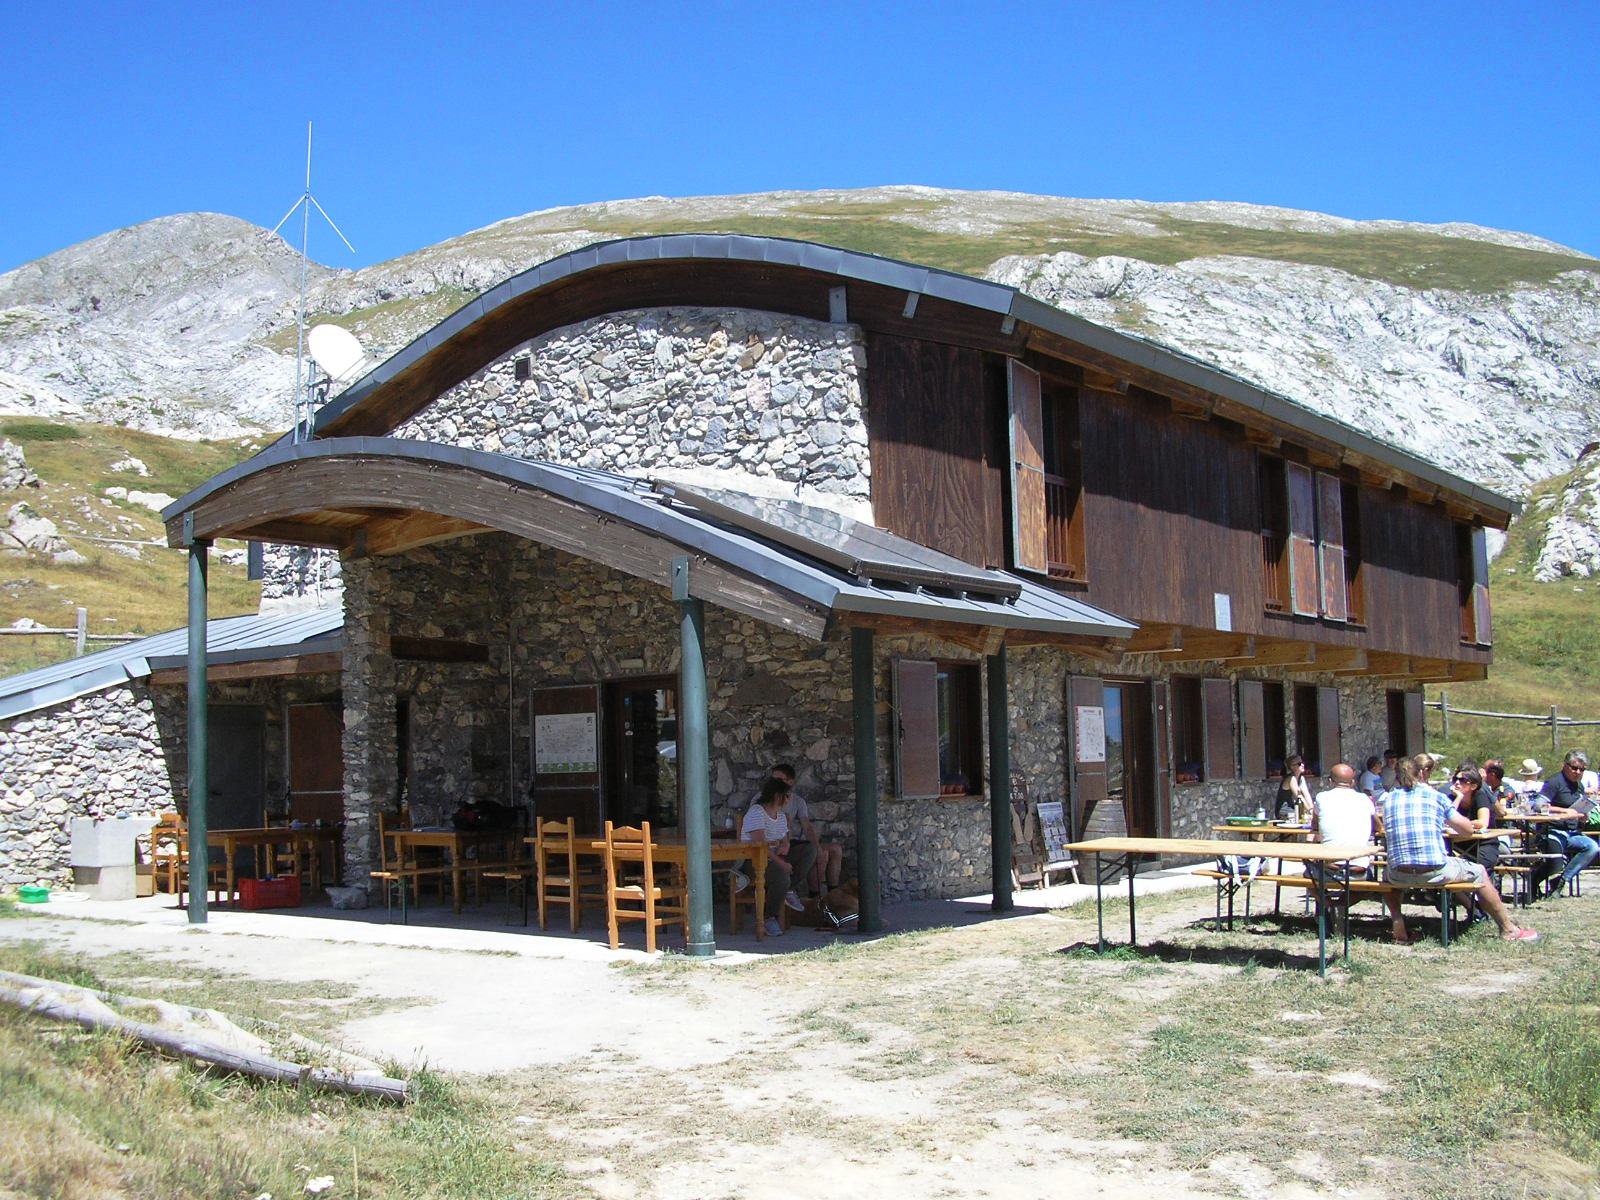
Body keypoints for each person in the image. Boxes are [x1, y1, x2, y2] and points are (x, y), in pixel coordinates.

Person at [1382, 755, 1536, 943]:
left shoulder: (1389, 799)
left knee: (1385, 874)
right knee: (1478, 870)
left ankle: (1399, 926)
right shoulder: (1435, 797)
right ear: (1422, 773)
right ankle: (1507, 928)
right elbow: (1466, 829)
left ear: (1397, 777)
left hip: (1398, 873)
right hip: (1434, 870)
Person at [1310, 762, 1404, 937]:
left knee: (1308, 876)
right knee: (1367, 885)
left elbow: (1314, 824)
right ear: (1353, 782)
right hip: (1357, 870)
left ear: (1331, 781)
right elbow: (1379, 827)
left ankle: (1328, 905)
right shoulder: (1364, 800)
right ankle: (1340, 906)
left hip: (1328, 869)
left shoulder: (1322, 798)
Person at [737, 776, 801, 936]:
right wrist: (782, 864)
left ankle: (788, 889)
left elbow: (785, 840)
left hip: (774, 858)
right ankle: (769, 917)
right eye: (787, 796)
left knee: (808, 852)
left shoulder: (780, 816)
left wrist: (785, 845)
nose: (789, 799)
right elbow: (761, 846)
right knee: (781, 875)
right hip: (754, 862)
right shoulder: (756, 813)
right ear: (777, 796)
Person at [770, 763, 842, 898]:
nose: (774, 783)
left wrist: (817, 846)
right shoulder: (761, 800)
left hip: (794, 842)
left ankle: (833, 895)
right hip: (777, 844)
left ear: (790, 782)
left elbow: (807, 826)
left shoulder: (797, 801)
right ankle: (815, 896)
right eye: (773, 780)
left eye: (779, 780)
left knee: (834, 849)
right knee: (819, 854)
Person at [1537, 750, 1600, 898]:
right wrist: (1565, 812)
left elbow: (1579, 810)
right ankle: (1534, 880)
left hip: (1572, 832)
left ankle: (1560, 882)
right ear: (1565, 766)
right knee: (1555, 863)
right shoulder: (1554, 782)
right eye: (1574, 768)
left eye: (1582, 769)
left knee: (1592, 847)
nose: (1578, 772)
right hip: (1552, 830)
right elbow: (1539, 806)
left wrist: (1583, 817)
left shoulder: (1579, 786)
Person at [1448, 765, 1501, 874]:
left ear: (1473, 786)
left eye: (1462, 780)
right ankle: (1459, 891)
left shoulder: (1480, 796)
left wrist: (1459, 823)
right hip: (1458, 845)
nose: (1457, 783)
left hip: (1484, 843)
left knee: (1480, 868)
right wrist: (1458, 798)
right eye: (1455, 779)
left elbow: (1482, 823)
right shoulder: (1451, 798)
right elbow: (1446, 820)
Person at [1275, 755, 1313, 821]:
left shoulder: (1301, 778)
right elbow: (1299, 796)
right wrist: (1309, 811)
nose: (1302, 765)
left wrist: (1312, 809)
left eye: (1302, 762)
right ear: (1292, 767)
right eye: (1299, 764)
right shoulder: (1291, 779)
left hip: (1293, 809)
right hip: (1284, 811)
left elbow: (1307, 795)